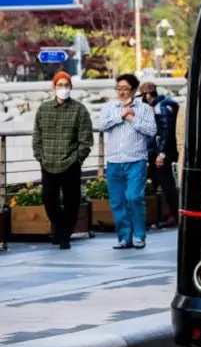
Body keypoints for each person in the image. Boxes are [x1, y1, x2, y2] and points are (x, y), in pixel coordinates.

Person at [31, 72, 93, 250]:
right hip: (48, 162)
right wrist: (39, 156)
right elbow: (37, 135)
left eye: (66, 85)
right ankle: (59, 227)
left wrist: (78, 159)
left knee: (71, 201)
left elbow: (86, 139)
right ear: (54, 87)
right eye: (60, 85)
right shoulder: (43, 109)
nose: (63, 88)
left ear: (71, 87)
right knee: (49, 199)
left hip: (70, 163)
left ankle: (64, 234)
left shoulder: (79, 110)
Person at [99, 74, 157, 249]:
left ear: (133, 89)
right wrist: (121, 116)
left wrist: (132, 118)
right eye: (119, 88)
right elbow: (101, 126)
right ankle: (124, 237)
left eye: (125, 88)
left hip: (136, 160)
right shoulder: (110, 108)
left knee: (134, 197)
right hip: (114, 161)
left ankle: (139, 235)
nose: (121, 92)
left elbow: (151, 130)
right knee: (117, 201)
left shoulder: (144, 109)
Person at [140, 81, 179, 226]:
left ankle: (174, 215)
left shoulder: (160, 108)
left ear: (148, 95)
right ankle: (167, 214)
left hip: (161, 152)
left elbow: (166, 131)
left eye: (144, 97)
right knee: (159, 182)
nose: (143, 100)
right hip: (158, 151)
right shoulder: (164, 105)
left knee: (166, 183)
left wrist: (161, 153)